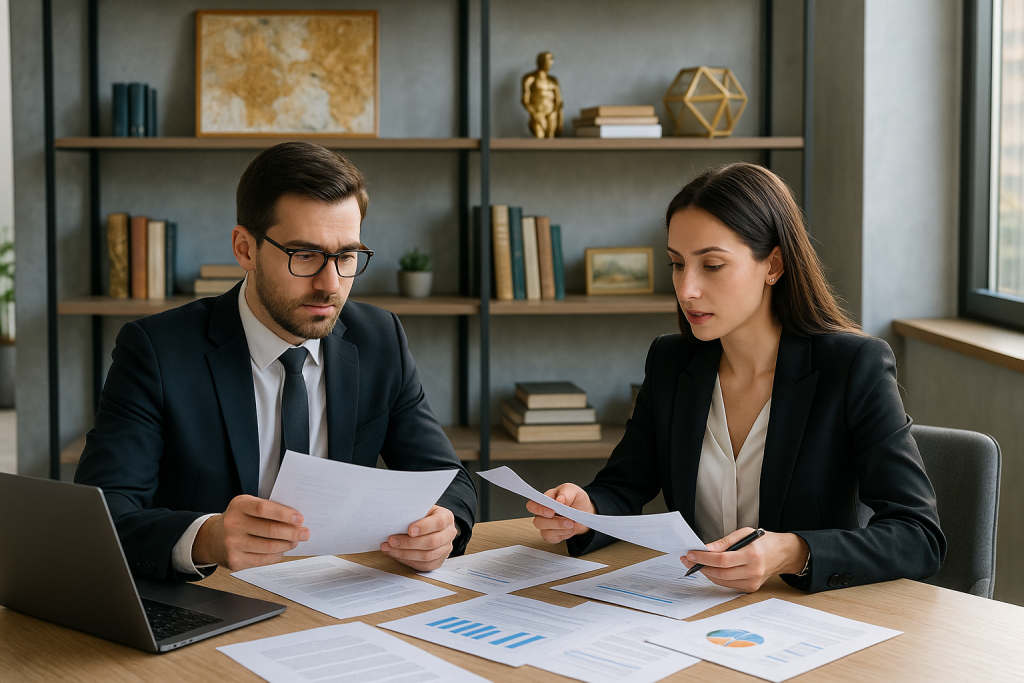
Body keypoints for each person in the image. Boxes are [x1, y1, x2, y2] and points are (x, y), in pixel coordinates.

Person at [527, 163, 945, 593]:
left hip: (808, 618)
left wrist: (792, 551)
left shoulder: (854, 366)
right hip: (688, 608)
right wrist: (585, 509)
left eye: (711, 265)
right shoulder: (671, 361)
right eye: (676, 264)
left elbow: (918, 536)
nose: (686, 288)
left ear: (774, 265)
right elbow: (624, 485)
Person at [75, 141, 476, 582]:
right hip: (210, 601)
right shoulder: (155, 351)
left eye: (346, 256)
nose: (331, 284)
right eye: (304, 255)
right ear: (245, 249)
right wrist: (205, 537)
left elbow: (447, 480)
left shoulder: (381, 339)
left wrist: (445, 527)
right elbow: (101, 514)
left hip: (339, 598)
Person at [521, 51, 563, 138]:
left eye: (551, 61)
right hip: (538, 114)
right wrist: (534, 114)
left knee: (551, 140)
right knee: (539, 138)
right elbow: (525, 99)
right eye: (547, 60)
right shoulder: (530, 78)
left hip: (551, 114)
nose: (549, 64)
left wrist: (554, 113)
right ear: (540, 61)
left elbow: (558, 100)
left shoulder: (553, 80)